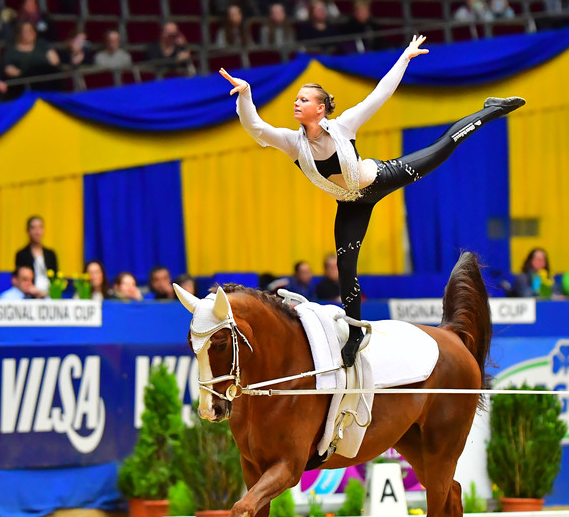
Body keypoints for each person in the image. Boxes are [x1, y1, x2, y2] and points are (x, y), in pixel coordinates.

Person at [221, 34, 525, 364]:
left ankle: (490, 111)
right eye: (296, 99)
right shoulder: (292, 143)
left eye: (304, 99)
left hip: (381, 177)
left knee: (443, 148)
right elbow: (255, 127)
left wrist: (405, 58)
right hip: (352, 204)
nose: (297, 103)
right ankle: (354, 332)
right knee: (346, 267)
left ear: (320, 109)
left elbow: (381, 93)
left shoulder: (343, 126)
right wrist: (246, 95)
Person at [2, 21, 60, 96]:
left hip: (47, 83)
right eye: (27, 31)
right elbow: (9, 69)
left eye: (32, 30)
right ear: (19, 34)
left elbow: (55, 61)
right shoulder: (11, 51)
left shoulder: (42, 44)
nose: (31, 33)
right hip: (25, 87)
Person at [14, 215, 58, 298]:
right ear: (28, 231)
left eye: (40, 228)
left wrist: (48, 293)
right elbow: (20, 279)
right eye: (33, 228)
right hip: (29, 295)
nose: (37, 232)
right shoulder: (22, 254)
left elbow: (56, 279)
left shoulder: (50, 254)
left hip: (49, 296)